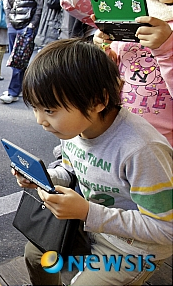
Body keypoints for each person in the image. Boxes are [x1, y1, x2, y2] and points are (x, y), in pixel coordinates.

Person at [17, 38, 172, 285]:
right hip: (90, 227)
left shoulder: (141, 150)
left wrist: (88, 212)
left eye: (49, 110)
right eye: (35, 108)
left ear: (97, 101)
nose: (40, 121)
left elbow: (166, 230)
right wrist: (44, 178)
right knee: (36, 256)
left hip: (133, 249)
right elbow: (71, 169)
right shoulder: (77, 129)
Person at [93, 0, 172, 147]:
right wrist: (104, 50)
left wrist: (166, 48)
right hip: (120, 130)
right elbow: (116, 71)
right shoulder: (134, 15)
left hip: (162, 141)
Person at [0, 0, 41, 104]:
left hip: (27, 26)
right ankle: (21, 88)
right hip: (13, 25)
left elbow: (40, 5)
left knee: (18, 60)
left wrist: (32, 24)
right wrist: (9, 20)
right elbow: (7, 2)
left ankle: (13, 91)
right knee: (15, 60)